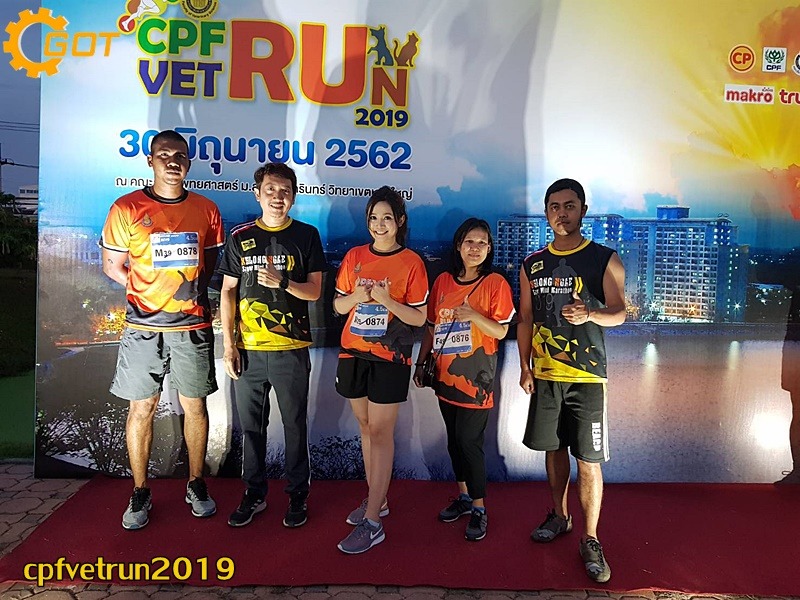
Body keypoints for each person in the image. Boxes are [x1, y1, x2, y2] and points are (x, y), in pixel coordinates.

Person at [100, 129, 225, 530]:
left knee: (195, 407)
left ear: (188, 163)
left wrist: (183, 293)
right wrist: (147, 291)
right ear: (150, 161)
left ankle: (196, 484)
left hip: (193, 325)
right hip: (143, 327)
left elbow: (208, 264)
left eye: (180, 155)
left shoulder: (207, 209)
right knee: (142, 408)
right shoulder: (126, 207)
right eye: (164, 154)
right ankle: (140, 491)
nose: (173, 161)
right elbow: (112, 266)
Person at [517, 178, 626, 583]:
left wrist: (590, 314)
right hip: (545, 374)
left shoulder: (603, 258)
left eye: (569, 205)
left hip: (587, 377)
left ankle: (591, 537)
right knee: (553, 448)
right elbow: (526, 318)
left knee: (589, 460)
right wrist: (525, 366)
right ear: (546, 212)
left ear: (583, 210)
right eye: (554, 207)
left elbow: (620, 312)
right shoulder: (532, 264)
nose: (561, 213)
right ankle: (560, 516)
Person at [218, 162, 326, 528]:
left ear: (293, 197)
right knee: (251, 428)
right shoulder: (240, 237)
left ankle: (297, 495)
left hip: (291, 349)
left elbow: (314, 291)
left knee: (295, 425)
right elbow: (228, 291)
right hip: (248, 350)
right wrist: (229, 344)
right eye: (270, 190)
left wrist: (283, 282)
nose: (277, 197)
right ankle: (254, 493)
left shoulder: (307, 235)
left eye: (285, 191)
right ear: (257, 194)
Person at [333, 186, 428, 554]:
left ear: (399, 221)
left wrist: (387, 300)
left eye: (387, 217)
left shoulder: (412, 262)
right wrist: (357, 296)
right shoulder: (355, 256)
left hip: (391, 357)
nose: (379, 224)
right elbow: (339, 307)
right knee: (365, 427)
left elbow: (419, 318)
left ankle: (373, 522)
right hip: (353, 352)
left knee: (381, 432)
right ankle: (378, 499)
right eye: (373, 217)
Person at [413, 218, 514, 542]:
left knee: (470, 443)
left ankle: (480, 509)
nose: (475, 248)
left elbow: (501, 331)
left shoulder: (495, 283)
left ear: (489, 248)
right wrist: (421, 363)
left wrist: (474, 316)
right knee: (455, 441)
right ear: (458, 245)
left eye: (482, 242)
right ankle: (465, 496)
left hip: (476, 382)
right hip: (445, 377)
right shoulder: (443, 282)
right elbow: (431, 327)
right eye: (470, 241)